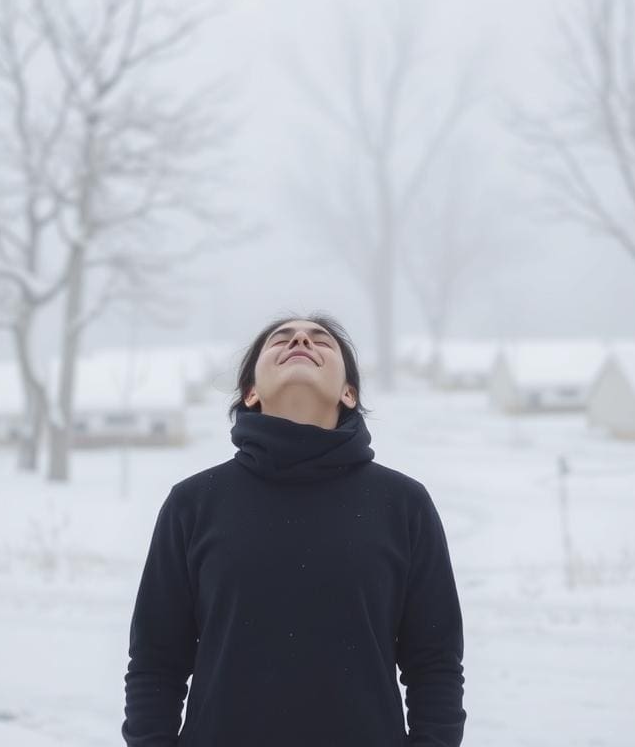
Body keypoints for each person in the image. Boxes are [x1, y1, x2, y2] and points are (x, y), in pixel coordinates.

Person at [121, 313, 466, 746]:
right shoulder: (193, 504)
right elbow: (156, 663)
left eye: (321, 340)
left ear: (349, 392)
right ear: (250, 393)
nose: (300, 339)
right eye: (279, 339)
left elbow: (435, 665)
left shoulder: (403, 505)